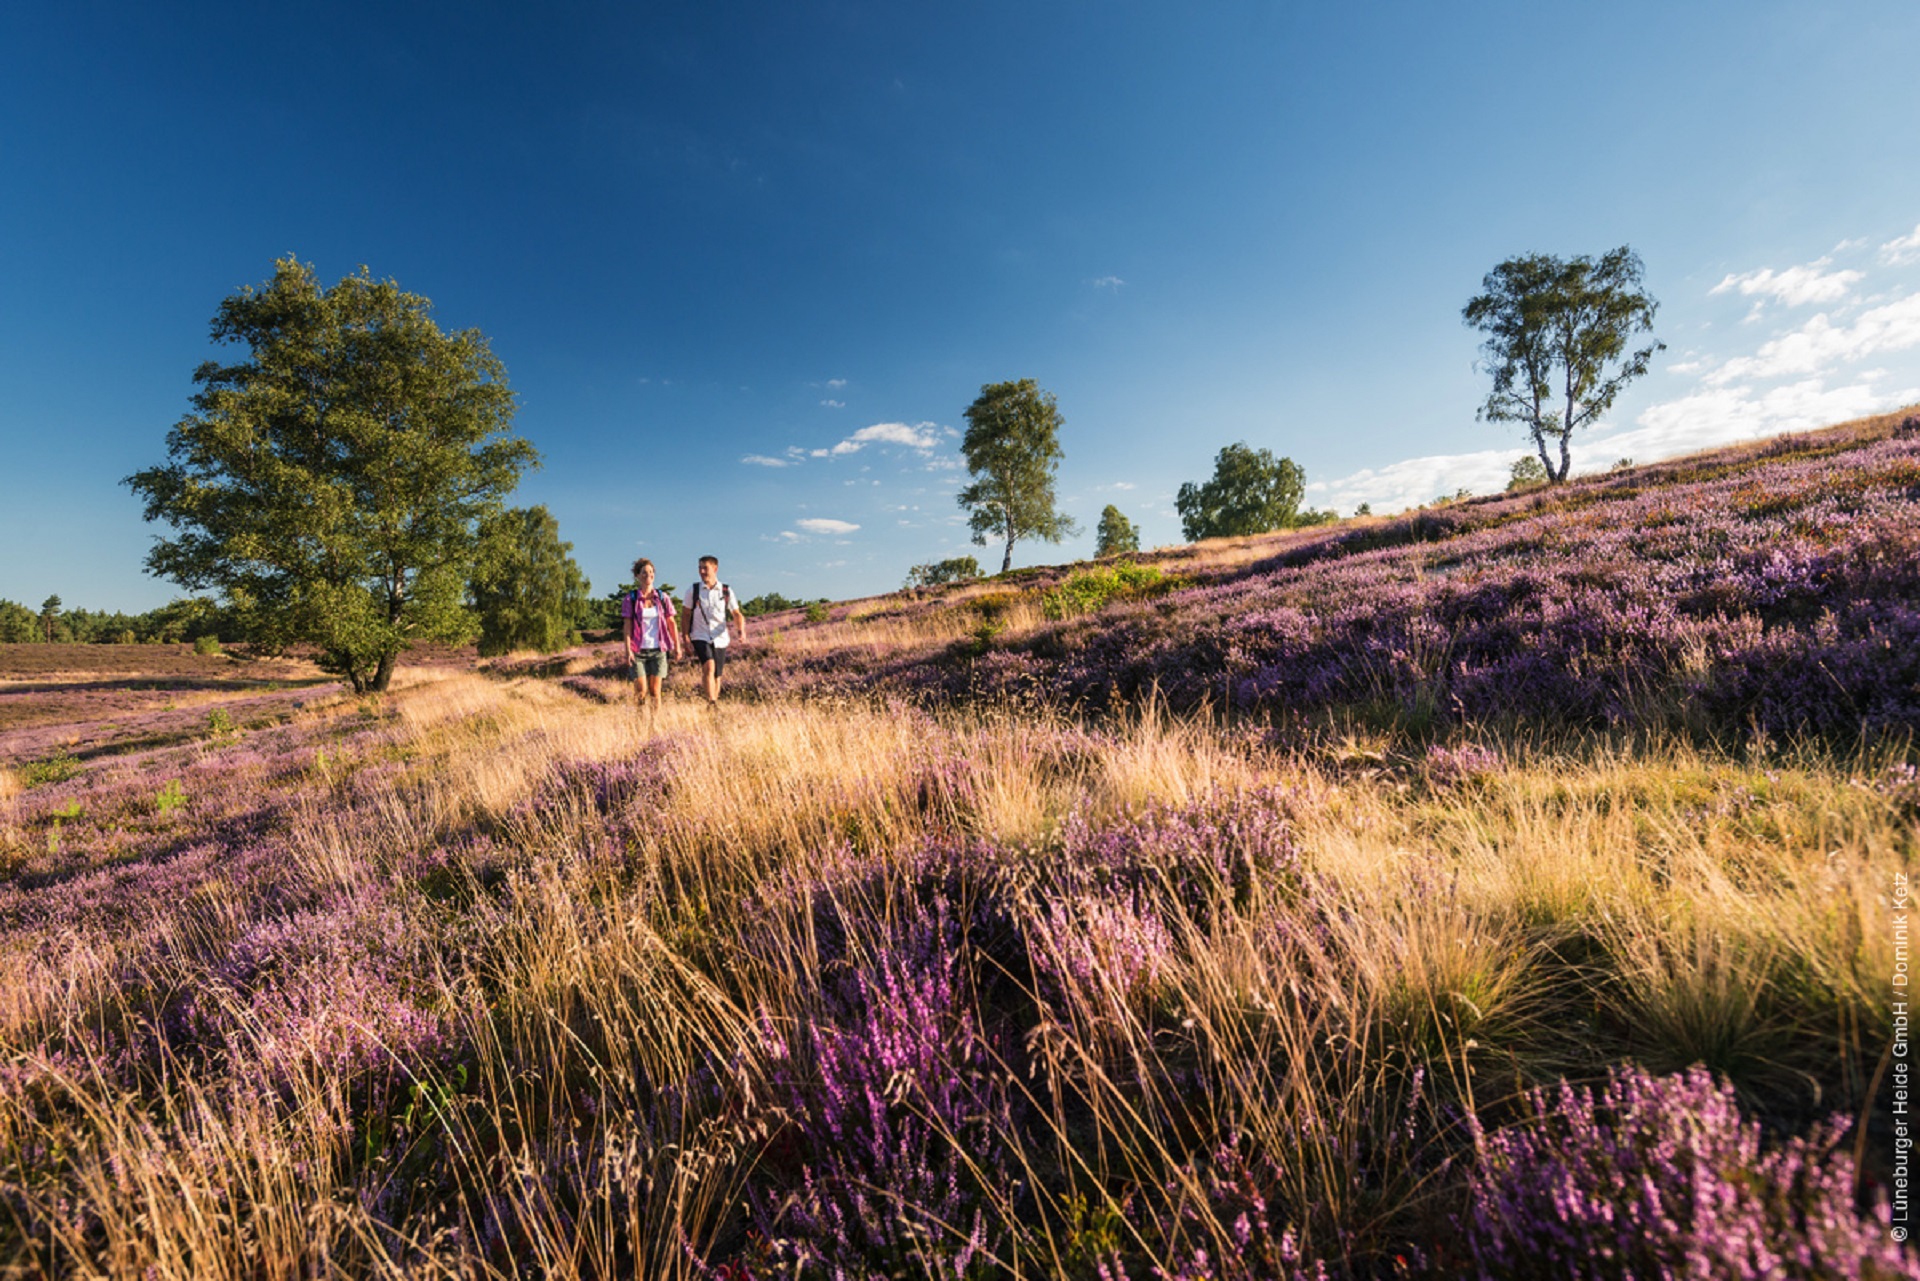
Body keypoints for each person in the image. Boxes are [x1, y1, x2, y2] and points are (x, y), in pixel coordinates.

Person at [683, 554, 746, 706]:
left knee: (717, 675)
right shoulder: (693, 590)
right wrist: (685, 637)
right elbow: (686, 615)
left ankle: (713, 704)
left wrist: (740, 630)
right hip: (699, 635)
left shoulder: (726, 591)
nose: (702, 571)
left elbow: (736, 613)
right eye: (700, 568)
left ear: (715, 569)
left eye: (705, 568)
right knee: (708, 667)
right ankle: (711, 702)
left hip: (720, 637)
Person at [620, 558, 680, 714]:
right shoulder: (631, 599)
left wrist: (677, 646)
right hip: (638, 650)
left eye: (651, 572)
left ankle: (654, 724)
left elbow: (671, 623)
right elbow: (627, 627)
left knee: (655, 691)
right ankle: (640, 721)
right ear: (638, 576)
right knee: (641, 690)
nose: (648, 575)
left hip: (658, 649)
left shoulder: (662, 598)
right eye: (644, 573)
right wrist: (628, 651)